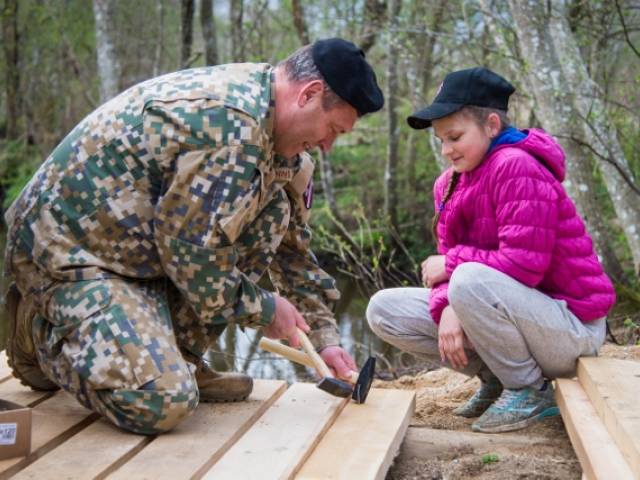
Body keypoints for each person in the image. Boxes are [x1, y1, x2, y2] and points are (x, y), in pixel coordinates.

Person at [3, 38, 384, 434]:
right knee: (159, 402)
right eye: (333, 129)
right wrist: (265, 308)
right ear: (309, 94)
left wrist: (324, 338)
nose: (327, 145)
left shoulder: (283, 147)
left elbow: (293, 251)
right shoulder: (229, 128)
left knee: (272, 213)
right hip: (66, 251)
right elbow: (194, 259)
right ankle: (39, 328)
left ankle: (178, 356)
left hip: (138, 256)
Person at [366, 67, 615, 433]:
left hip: (570, 330)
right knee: (384, 310)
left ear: (492, 125)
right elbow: (455, 276)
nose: (447, 150)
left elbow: (523, 266)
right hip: (513, 316)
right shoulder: (448, 184)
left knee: (465, 278)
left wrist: (453, 271)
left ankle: (530, 390)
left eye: (455, 137)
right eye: (440, 141)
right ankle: (497, 377)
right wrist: (448, 304)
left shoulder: (517, 166)